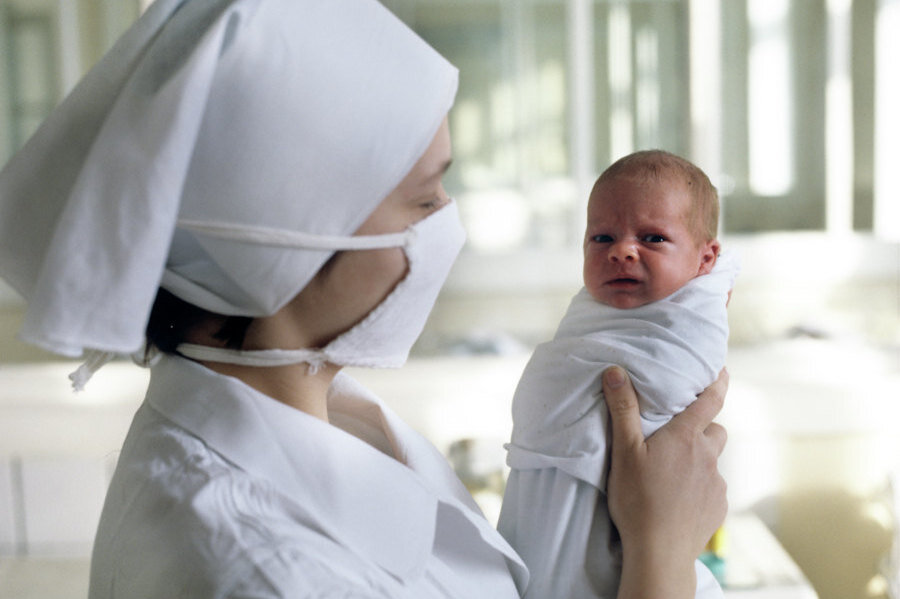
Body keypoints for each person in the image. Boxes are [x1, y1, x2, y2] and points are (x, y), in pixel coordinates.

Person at [0, 1, 728, 597]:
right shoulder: (268, 573)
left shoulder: (332, 415)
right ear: (289, 244)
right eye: (424, 198)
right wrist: (661, 553)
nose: (447, 222)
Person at [499, 150, 739, 598]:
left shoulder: (696, 315)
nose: (622, 250)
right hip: (551, 486)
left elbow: (675, 379)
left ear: (705, 259)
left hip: (636, 491)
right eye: (602, 237)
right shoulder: (588, 311)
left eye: (653, 238)